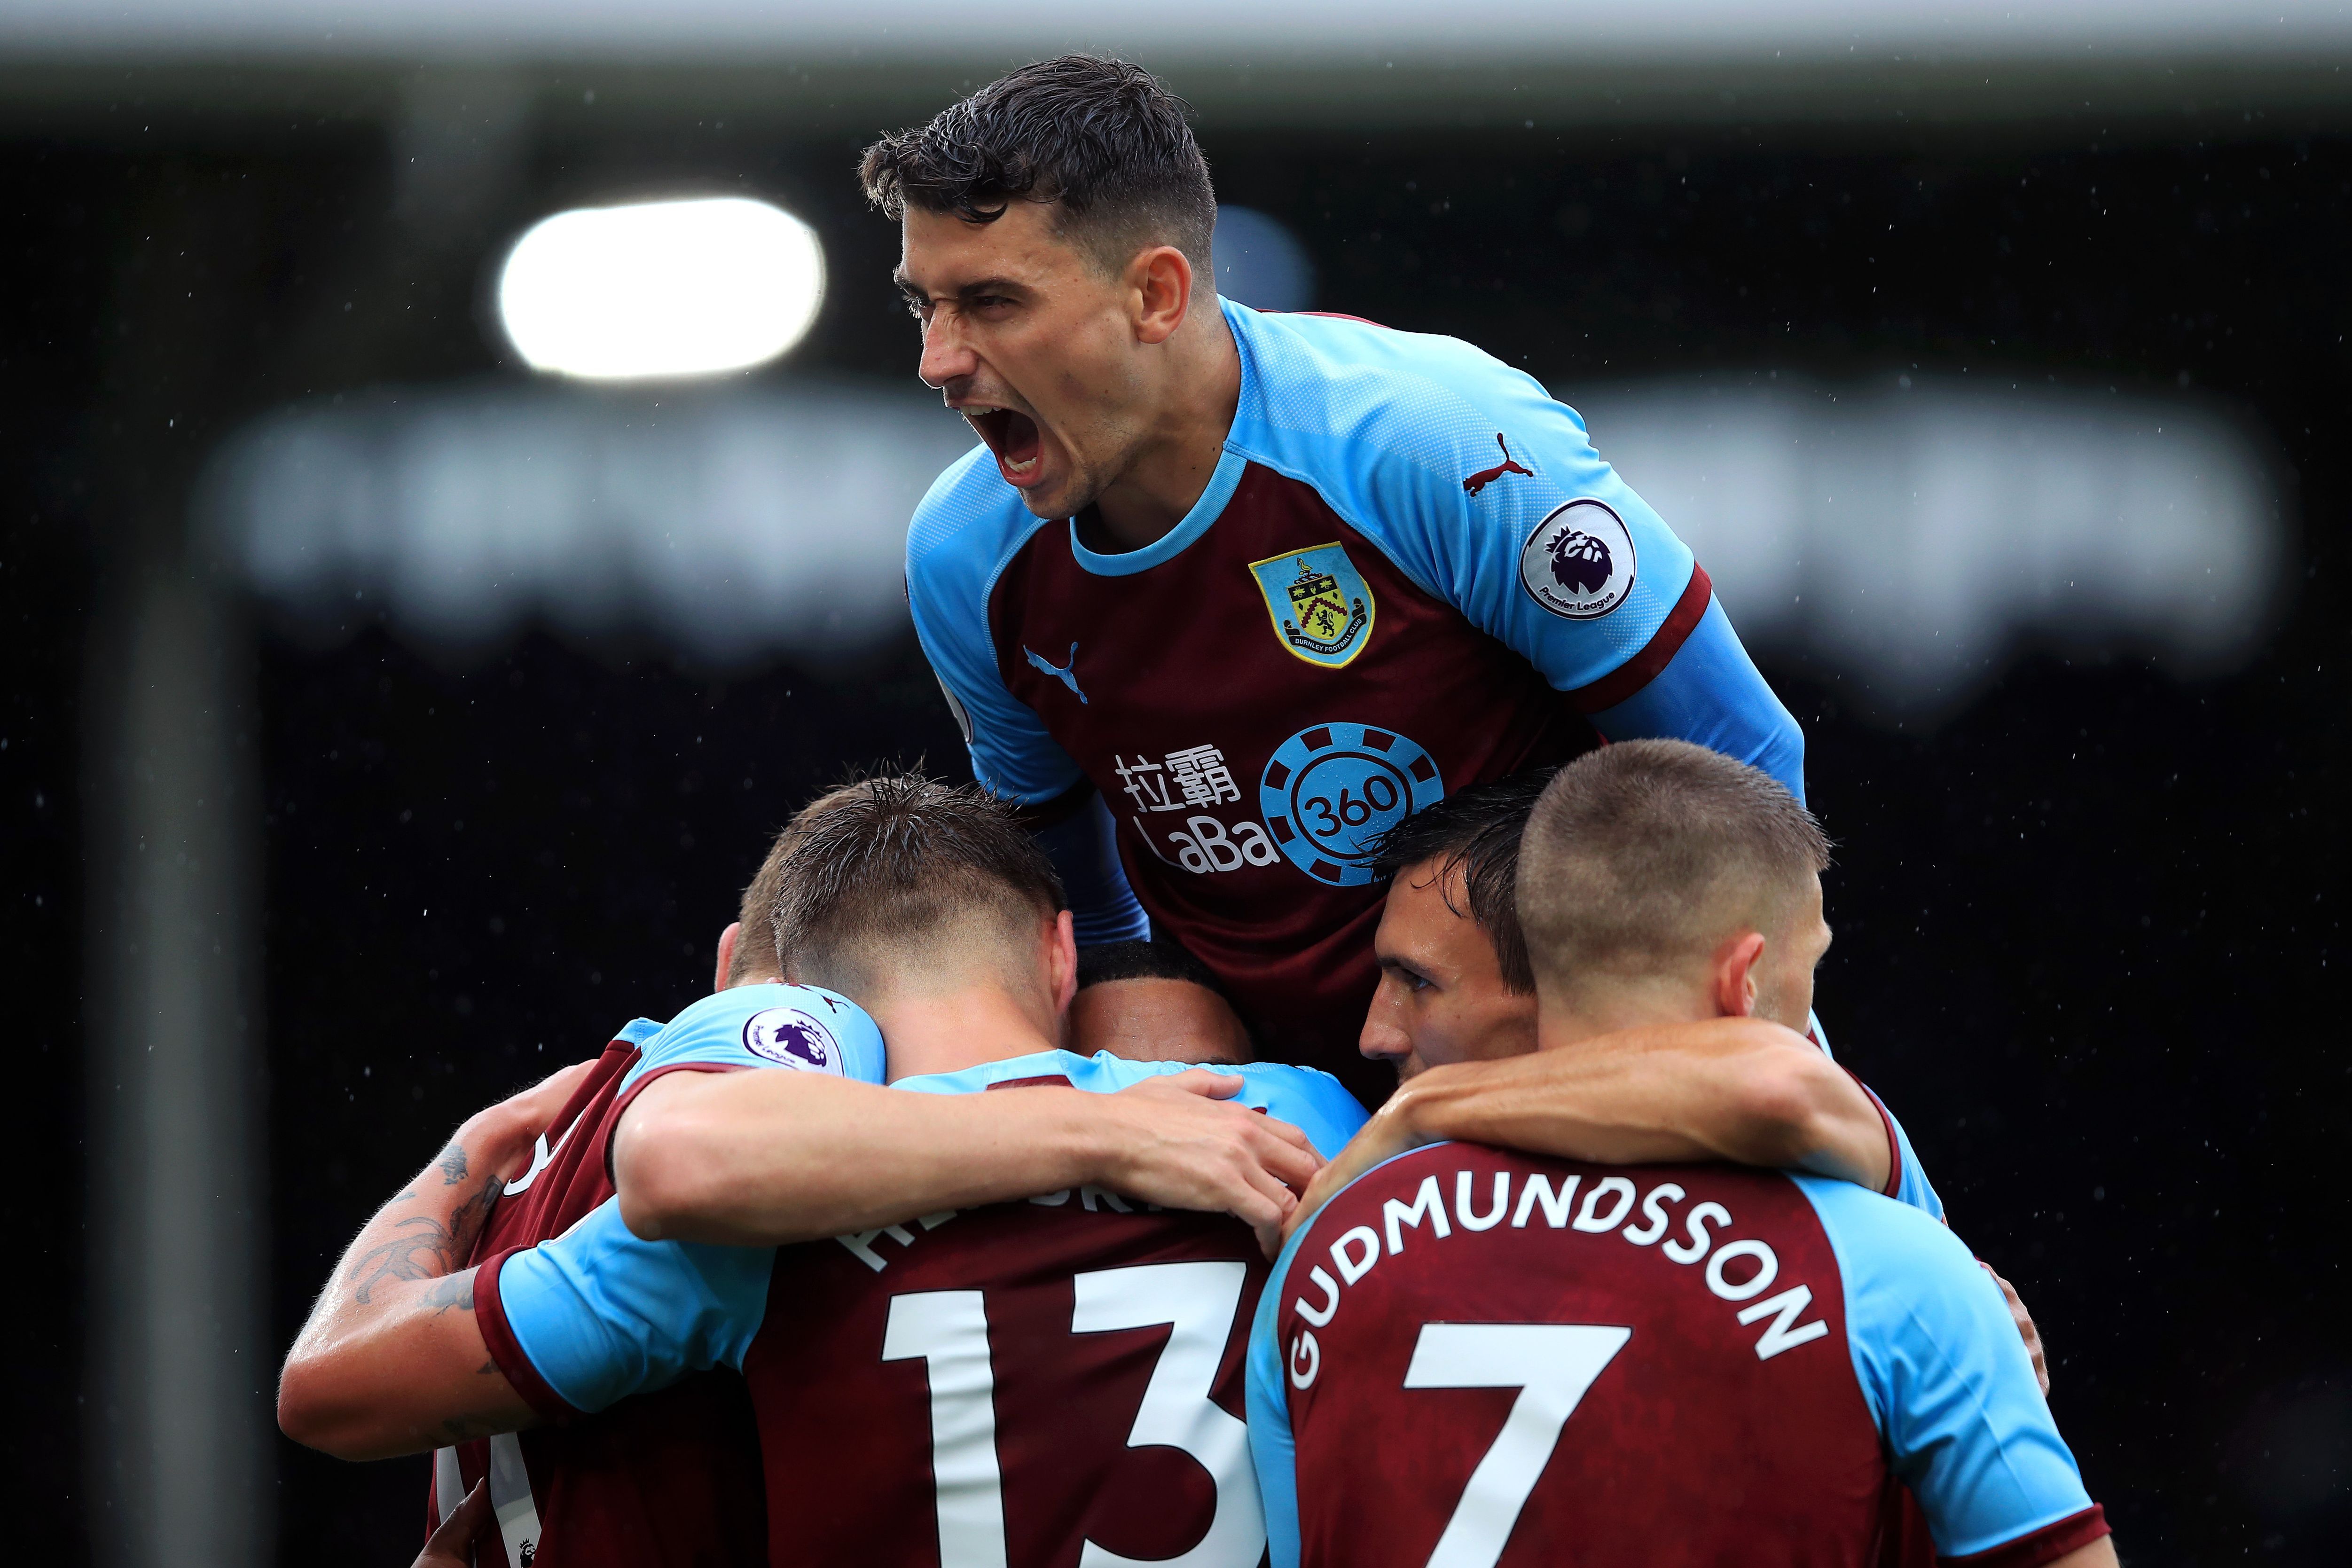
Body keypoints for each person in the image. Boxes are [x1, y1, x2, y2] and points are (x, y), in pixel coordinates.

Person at [881, 56, 1804, 1086]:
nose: (939, 362)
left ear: (1155, 293)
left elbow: (1740, 759)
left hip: (1558, 1063)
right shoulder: (966, 556)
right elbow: (1084, 918)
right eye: (926, 306)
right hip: (1265, 1112)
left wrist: (1735, 1082)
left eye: (992, 303)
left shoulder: (1444, 444)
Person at [448, 774, 1369, 1565]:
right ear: (1062, 956)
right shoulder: (1288, 1117)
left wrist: (459, 1161)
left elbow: (339, 1395)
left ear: (802, 1006)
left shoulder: (753, 1213)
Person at [1247, 742, 2112, 1567]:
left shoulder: (1324, 1245)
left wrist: (1429, 1113)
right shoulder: (1895, 1269)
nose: (1371, 1033)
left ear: (1555, 971)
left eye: (1419, 982)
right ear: (1745, 981)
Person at [277, 812, 895, 1568]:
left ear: (728, 952)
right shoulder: (783, 1042)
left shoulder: (549, 1131)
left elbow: (329, 1373)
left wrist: (483, 1135)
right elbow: (326, 1386)